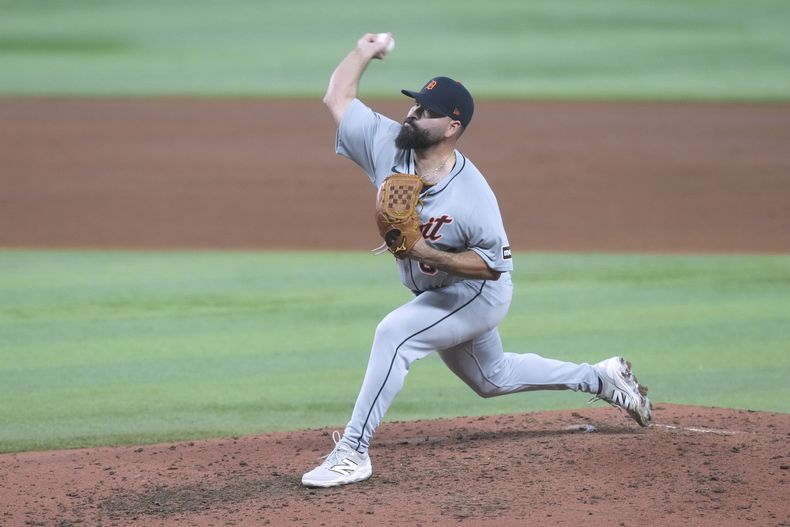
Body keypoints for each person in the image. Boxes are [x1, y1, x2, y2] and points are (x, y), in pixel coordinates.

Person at [302, 33, 652, 488]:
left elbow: (494, 265)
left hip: (478, 293)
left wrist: (423, 251)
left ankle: (352, 452)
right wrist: (365, 51)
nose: (413, 113)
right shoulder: (388, 143)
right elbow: (338, 95)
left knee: (395, 334)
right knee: (493, 377)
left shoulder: (473, 195)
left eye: (426, 112)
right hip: (440, 291)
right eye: (414, 105)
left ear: (452, 126)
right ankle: (601, 378)